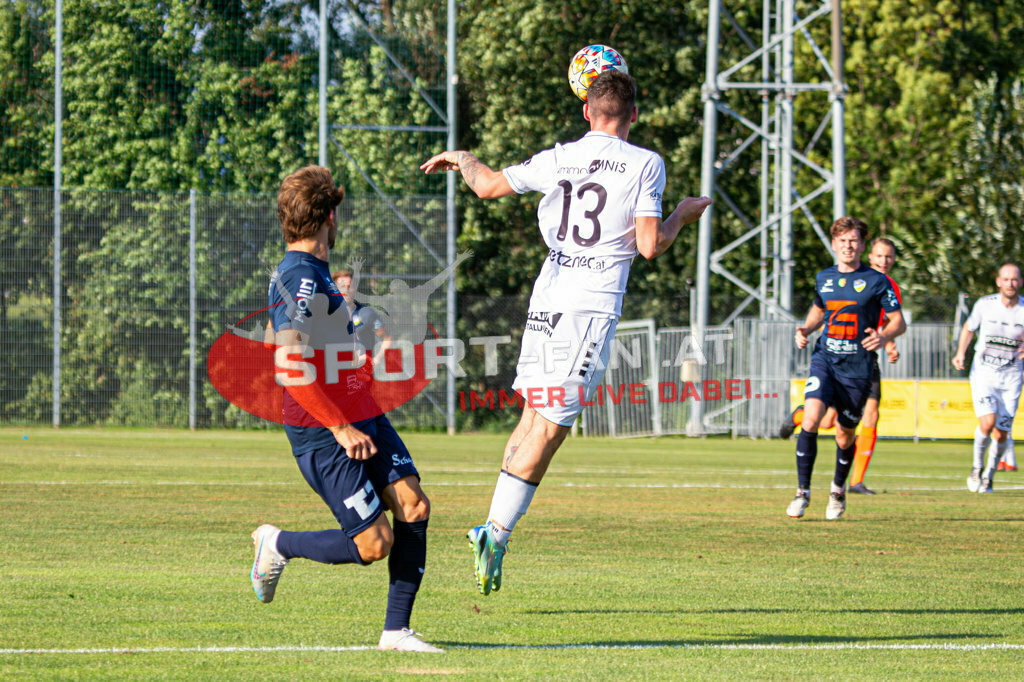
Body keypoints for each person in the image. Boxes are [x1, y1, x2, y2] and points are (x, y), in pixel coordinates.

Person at [421, 69, 711, 595]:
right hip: (588, 307)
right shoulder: (647, 163)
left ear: (587, 111)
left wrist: (463, 158)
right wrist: (682, 216)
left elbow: (486, 186)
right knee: (551, 428)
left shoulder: (560, 156)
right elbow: (650, 245)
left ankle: (492, 530)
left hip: (547, 296)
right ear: (634, 116)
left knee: (534, 414)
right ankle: (497, 533)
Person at [250, 165, 442, 653]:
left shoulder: (314, 274)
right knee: (374, 544)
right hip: (324, 431)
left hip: (362, 413)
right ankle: (277, 544)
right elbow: (289, 365)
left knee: (414, 505)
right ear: (330, 217)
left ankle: (396, 633)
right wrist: (337, 425)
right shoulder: (300, 278)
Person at [786, 217, 905, 520]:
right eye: (842, 241)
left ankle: (838, 490)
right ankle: (802, 492)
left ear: (863, 245)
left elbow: (898, 321)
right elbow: (819, 309)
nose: (848, 246)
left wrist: (884, 336)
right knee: (811, 420)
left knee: (844, 434)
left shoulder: (878, 281)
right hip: (825, 359)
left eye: (853, 241)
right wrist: (806, 329)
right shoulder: (824, 277)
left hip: (858, 367)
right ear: (834, 244)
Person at [951, 263, 1024, 494]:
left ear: (1020, 282)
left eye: (1014, 280)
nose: (1010, 284)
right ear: (998, 281)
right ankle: (976, 467)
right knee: (987, 423)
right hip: (984, 374)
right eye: (1006, 279)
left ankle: (989, 475)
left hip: (1012, 377)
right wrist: (960, 353)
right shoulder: (985, 305)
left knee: (1002, 432)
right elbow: (969, 327)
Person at [332, 267, 393, 364]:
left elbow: (387, 339)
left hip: (363, 374)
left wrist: (376, 360)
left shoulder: (366, 313)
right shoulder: (326, 316)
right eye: (342, 286)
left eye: (349, 286)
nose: (346, 290)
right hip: (336, 373)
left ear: (355, 289)